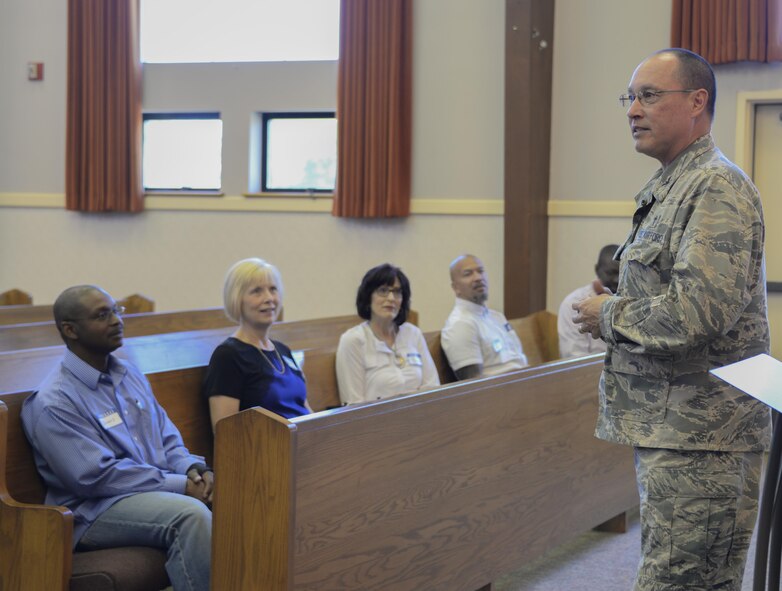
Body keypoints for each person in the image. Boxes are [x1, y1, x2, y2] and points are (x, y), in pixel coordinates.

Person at [572, 48, 770, 591]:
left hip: (704, 439)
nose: (633, 110)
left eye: (650, 96)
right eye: (629, 98)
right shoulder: (676, 185)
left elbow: (697, 312)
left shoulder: (714, 186)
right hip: (681, 432)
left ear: (697, 101)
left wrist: (607, 313)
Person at [21, 285, 212, 591]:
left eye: (116, 311)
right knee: (190, 515)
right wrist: (180, 486)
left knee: (233, 493)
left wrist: (191, 469)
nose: (116, 320)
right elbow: (95, 476)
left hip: (150, 489)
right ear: (70, 330)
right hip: (93, 510)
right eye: (102, 315)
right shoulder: (54, 401)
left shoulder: (129, 374)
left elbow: (166, 436)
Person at [204, 258, 310, 429]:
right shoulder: (228, 356)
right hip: (268, 451)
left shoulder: (283, 350)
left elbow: (304, 409)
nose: (269, 298)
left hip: (304, 446)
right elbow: (225, 434)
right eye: (257, 291)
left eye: (273, 289)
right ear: (237, 298)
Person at [336, 263, 439, 405]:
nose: (391, 298)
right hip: (376, 423)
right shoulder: (353, 340)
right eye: (383, 291)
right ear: (368, 297)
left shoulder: (413, 334)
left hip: (419, 418)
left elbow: (433, 387)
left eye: (397, 292)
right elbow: (354, 404)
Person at [441, 254, 528, 379]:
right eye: (468, 274)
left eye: (480, 271)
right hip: (501, 393)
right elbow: (474, 385)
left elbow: (519, 360)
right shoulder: (460, 324)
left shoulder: (497, 317)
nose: (478, 278)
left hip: (526, 383)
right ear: (456, 287)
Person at [557, 244, 619, 358]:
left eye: (622, 273)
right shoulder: (573, 303)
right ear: (597, 270)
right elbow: (574, 358)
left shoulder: (630, 303)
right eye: (611, 273)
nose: (617, 279)